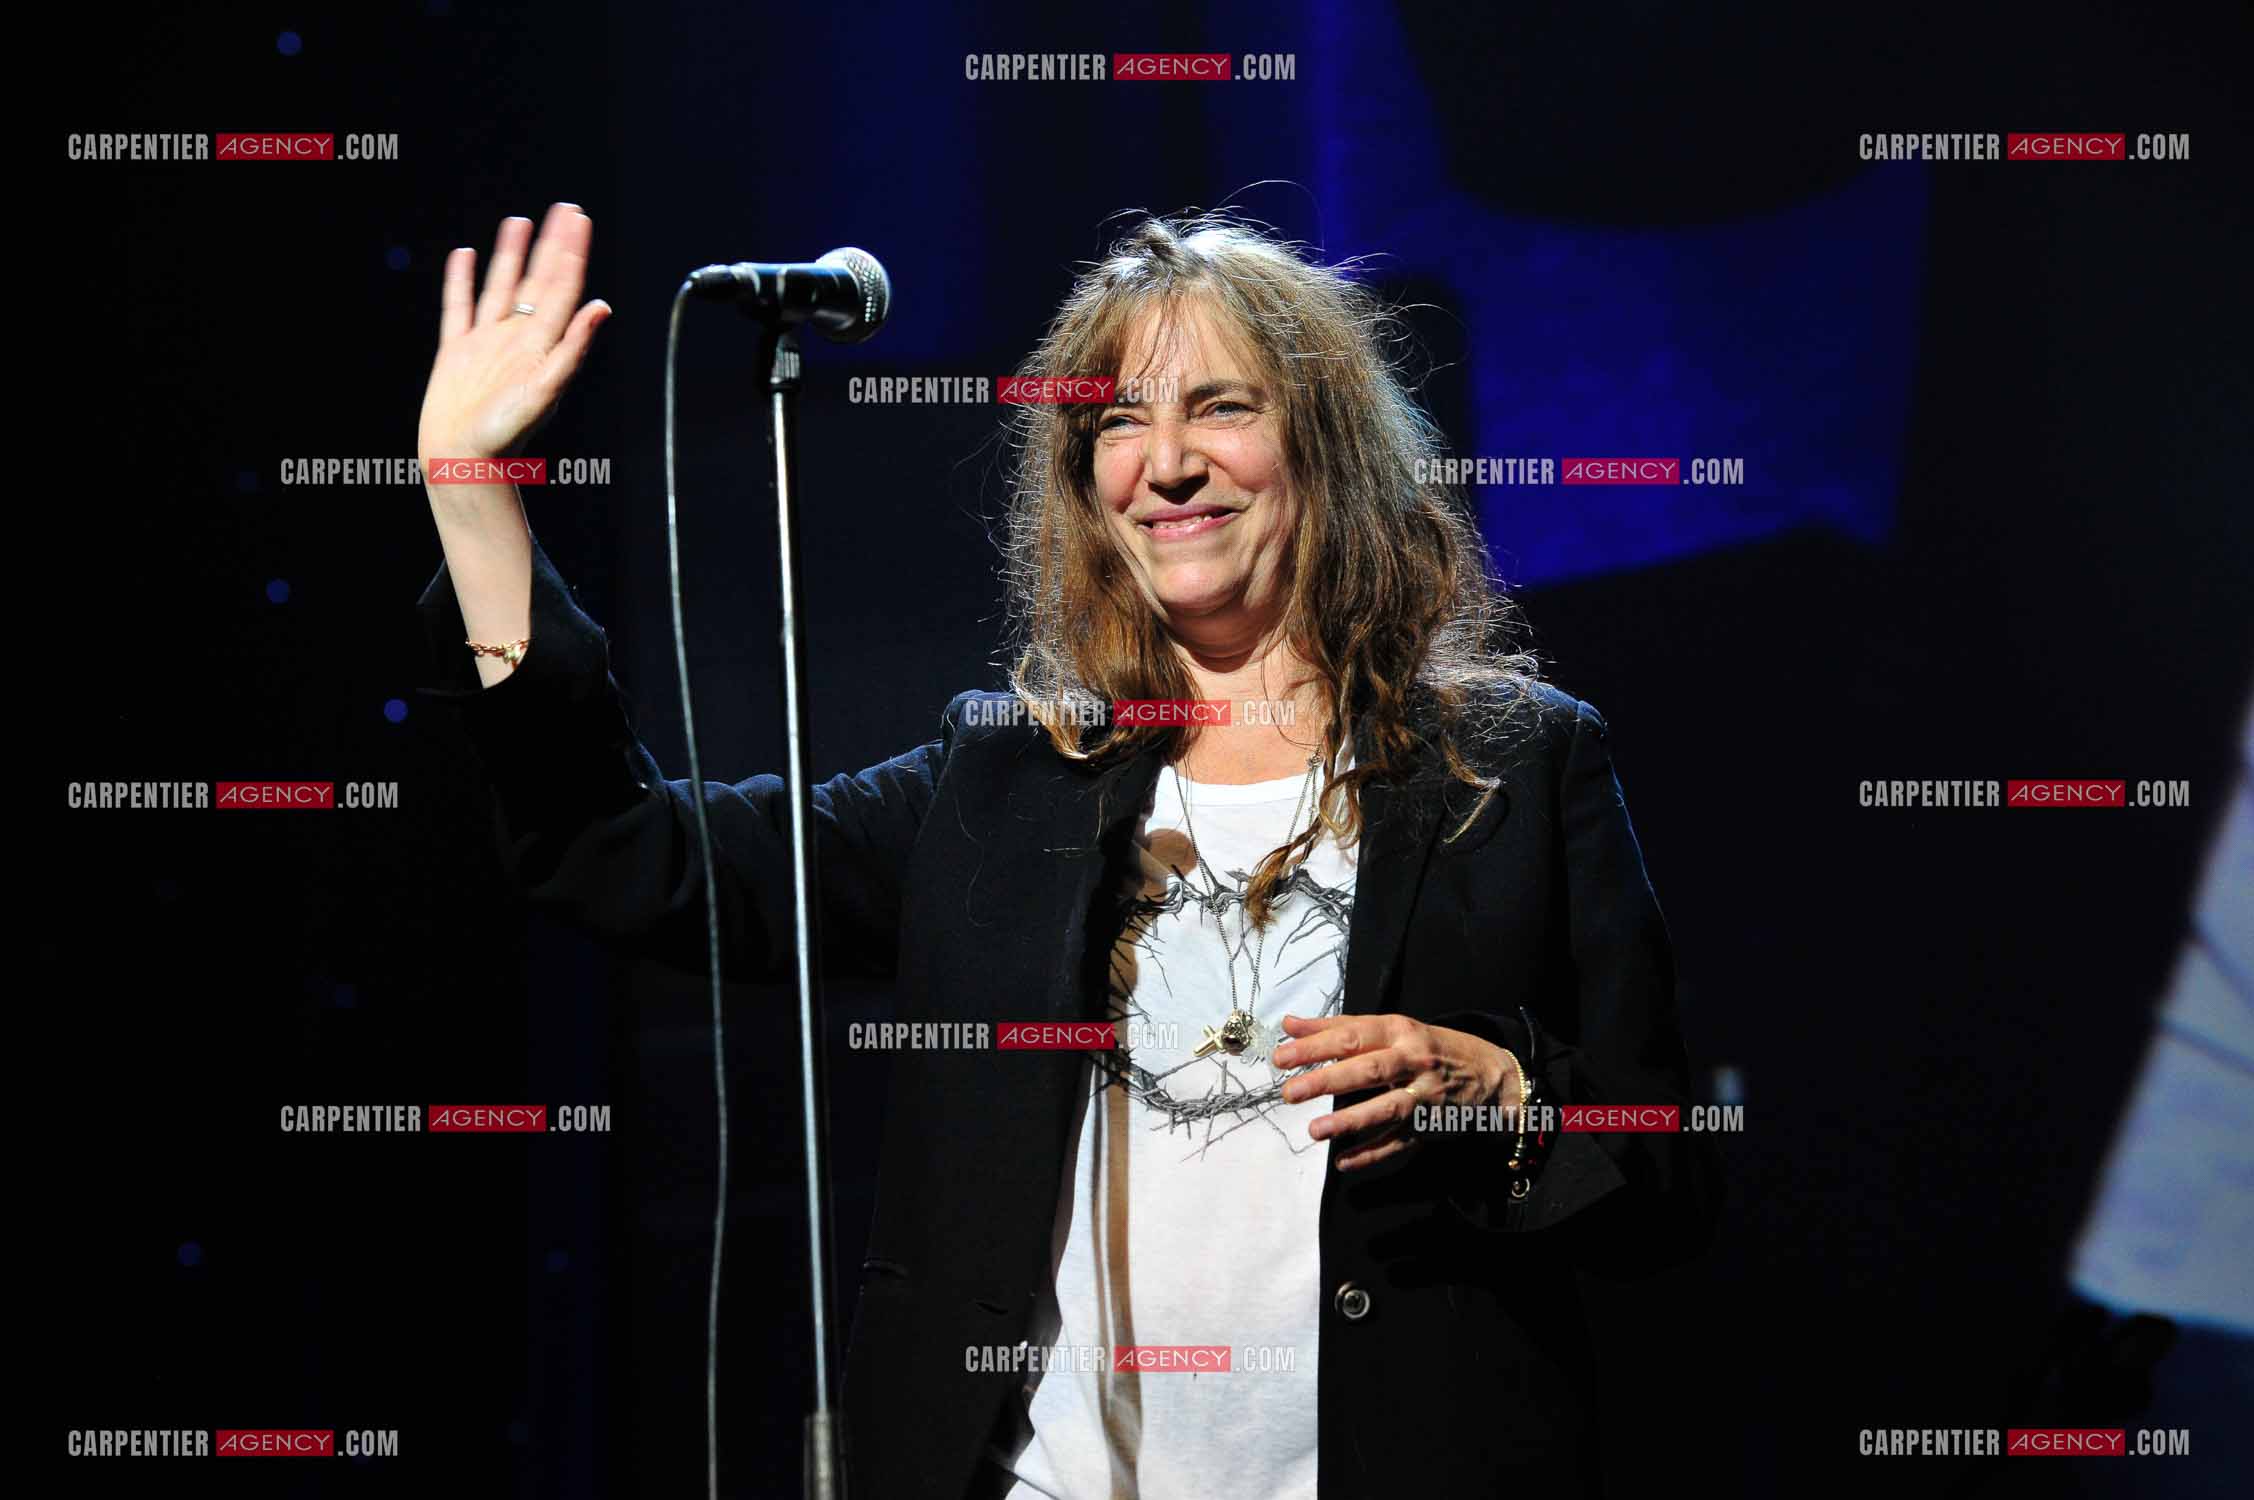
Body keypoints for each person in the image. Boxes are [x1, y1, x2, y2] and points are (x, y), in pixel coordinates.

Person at [412, 202, 1724, 1499]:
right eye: (1115, 422)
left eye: (1220, 406)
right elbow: (626, 851)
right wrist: (475, 503)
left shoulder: (1514, 766)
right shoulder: (1008, 781)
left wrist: (1498, 1093)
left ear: (1323, 442)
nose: (1163, 463)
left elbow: (1662, 1167)